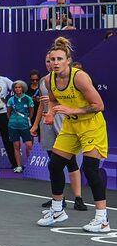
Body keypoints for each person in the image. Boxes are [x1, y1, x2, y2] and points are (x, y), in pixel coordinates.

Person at [37, 37, 109, 233]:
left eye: (59, 59)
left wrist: (71, 110)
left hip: (91, 126)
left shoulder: (80, 78)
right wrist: (51, 113)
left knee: (91, 169)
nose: (55, 63)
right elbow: (52, 100)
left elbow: (99, 106)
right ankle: (58, 210)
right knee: (55, 164)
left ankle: (102, 219)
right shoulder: (48, 79)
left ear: (68, 60)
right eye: (52, 60)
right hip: (70, 127)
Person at [33, 58, 85, 207]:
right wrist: (36, 125)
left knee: (71, 162)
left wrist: (54, 103)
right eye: (48, 61)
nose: (51, 63)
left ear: (65, 61)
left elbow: (76, 102)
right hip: (47, 123)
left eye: (55, 60)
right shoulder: (44, 80)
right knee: (53, 163)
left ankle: (78, 198)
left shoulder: (71, 79)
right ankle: (58, 198)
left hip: (64, 121)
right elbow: (42, 106)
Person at [6, 81, 36, 174]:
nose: (18, 89)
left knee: (29, 145)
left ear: (23, 88)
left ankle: (29, 165)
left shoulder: (28, 99)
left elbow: (31, 112)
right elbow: (8, 113)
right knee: (16, 146)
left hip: (25, 126)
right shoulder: (11, 100)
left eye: (19, 87)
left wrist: (27, 120)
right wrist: (12, 120)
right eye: (16, 87)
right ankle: (19, 166)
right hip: (13, 125)